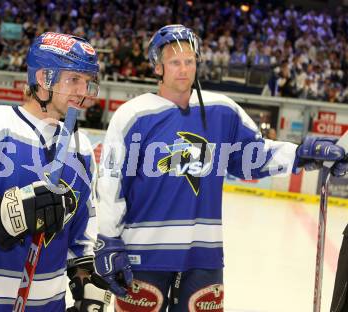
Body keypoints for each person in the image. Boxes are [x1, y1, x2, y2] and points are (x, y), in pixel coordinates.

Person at [93, 24, 348, 311]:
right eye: (175, 62)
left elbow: (256, 154)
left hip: (203, 256)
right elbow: (111, 182)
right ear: (157, 67)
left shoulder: (222, 110)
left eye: (190, 61)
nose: (184, 69)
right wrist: (108, 238)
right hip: (144, 252)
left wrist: (301, 153)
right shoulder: (132, 114)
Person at [0, 32, 110, 311]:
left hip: (48, 304)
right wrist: (3, 214)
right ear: (42, 78)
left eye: (87, 82)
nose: (83, 92)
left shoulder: (80, 146)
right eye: (74, 80)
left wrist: (86, 283)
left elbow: (82, 230)